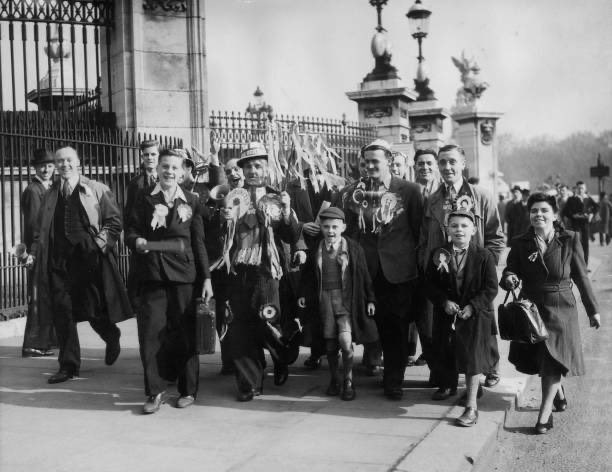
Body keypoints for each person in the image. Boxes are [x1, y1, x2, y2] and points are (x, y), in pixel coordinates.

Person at [28, 146, 131, 384]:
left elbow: (114, 222)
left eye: (68, 160)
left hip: (89, 259)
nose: (64, 165)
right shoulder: (50, 195)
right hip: (59, 262)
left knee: (93, 309)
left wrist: (99, 244)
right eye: (59, 161)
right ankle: (69, 366)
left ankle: (111, 335)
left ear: (78, 163)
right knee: (63, 312)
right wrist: (33, 254)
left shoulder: (96, 189)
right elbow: (40, 232)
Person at [501, 192, 601, 434]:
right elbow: (509, 271)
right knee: (540, 360)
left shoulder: (570, 239)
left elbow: (581, 276)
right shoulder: (521, 242)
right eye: (534, 211)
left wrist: (592, 309)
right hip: (532, 309)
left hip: (561, 308)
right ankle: (558, 392)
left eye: (544, 210)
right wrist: (510, 278)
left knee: (552, 362)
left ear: (554, 214)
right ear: (529, 214)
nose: (539, 215)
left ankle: (543, 418)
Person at [126, 149, 213, 413]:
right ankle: (155, 391)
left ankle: (188, 389)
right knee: (150, 334)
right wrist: (135, 241)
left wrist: (206, 278)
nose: (169, 172)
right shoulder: (142, 198)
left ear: (183, 171)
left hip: (184, 276)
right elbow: (130, 229)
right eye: (165, 166)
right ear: (158, 168)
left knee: (186, 333)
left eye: (175, 168)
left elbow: (198, 242)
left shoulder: (192, 200)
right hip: (151, 273)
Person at [418, 144, 505, 399]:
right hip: (445, 275)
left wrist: (485, 266)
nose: (447, 167)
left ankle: (484, 374)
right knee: (445, 331)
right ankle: (447, 381)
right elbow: (425, 240)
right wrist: (429, 270)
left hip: (474, 276)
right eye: (442, 162)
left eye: (452, 162)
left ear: (463, 164)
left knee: (479, 328)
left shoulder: (481, 196)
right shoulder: (433, 200)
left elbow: (496, 237)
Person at [341, 139, 423, 400]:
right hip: (367, 270)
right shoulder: (354, 191)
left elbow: (417, 230)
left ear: (389, 161)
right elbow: (351, 230)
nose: (369, 167)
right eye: (365, 163)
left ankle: (394, 380)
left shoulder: (409, 191)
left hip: (398, 271)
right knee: (368, 324)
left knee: (397, 327)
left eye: (375, 162)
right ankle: (364, 366)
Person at [220, 142, 301, 401]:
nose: (253, 170)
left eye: (258, 165)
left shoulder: (278, 197)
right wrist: (223, 220)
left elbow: (291, 235)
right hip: (239, 271)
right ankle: (249, 383)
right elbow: (220, 237)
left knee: (268, 320)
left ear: (266, 168)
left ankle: (282, 357)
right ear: (242, 170)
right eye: (248, 166)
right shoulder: (232, 198)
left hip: (268, 271)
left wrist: (287, 213)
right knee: (241, 327)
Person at [425, 209, 499, 426]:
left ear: (473, 230)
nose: (459, 230)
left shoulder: (483, 256)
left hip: (474, 316)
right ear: (448, 229)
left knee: (472, 358)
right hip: (447, 314)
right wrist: (443, 302)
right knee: (447, 351)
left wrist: (473, 307)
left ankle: (471, 408)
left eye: (464, 226)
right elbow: (429, 285)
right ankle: (454, 387)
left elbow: (491, 288)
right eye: (454, 226)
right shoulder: (439, 254)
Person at [298, 207, 378, 400]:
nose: (330, 231)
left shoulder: (353, 248)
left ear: (343, 227)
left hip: (346, 300)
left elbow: (364, 275)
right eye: (326, 227)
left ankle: (348, 380)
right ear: (321, 228)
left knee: (345, 340)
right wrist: (303, 294)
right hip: (324, 300)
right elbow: (308, 276)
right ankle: (335, 378)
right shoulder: (316, 248)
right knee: (331, 345)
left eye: (335, 226)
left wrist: (370, 299)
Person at [20, 149, 56, 358]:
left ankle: (47, 341)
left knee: (47, 296)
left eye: (50, 166)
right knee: (38, 298)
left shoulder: (50, 188)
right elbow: (34, 226)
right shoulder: (34, 191)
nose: (46, 169)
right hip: (39, 252)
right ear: (35, 168)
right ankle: (32, 344)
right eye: (42, 166)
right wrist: (32, 253)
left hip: (49, 251)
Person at [125, 139, 160, 311]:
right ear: (142, 157)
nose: (150, 158)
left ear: (159, 156)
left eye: (153, 154)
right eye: (146, 155)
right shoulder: (135, 183)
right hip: (144, 240)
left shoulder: (167, 178)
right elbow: (129, 216)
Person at [562, 181, 597, 265]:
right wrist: (573, 216)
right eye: (579, 188)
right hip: (575, 224)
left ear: (585, 189)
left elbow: (596, 207)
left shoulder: (588, 198)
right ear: (576, 189)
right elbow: (565, 211)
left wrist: (591, 214)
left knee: (585, 244)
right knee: (577, 244)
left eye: (582, 188)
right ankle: (577, 264)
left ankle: (585, 264)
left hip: (585, 224)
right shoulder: (572, 199)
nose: (581, 190)